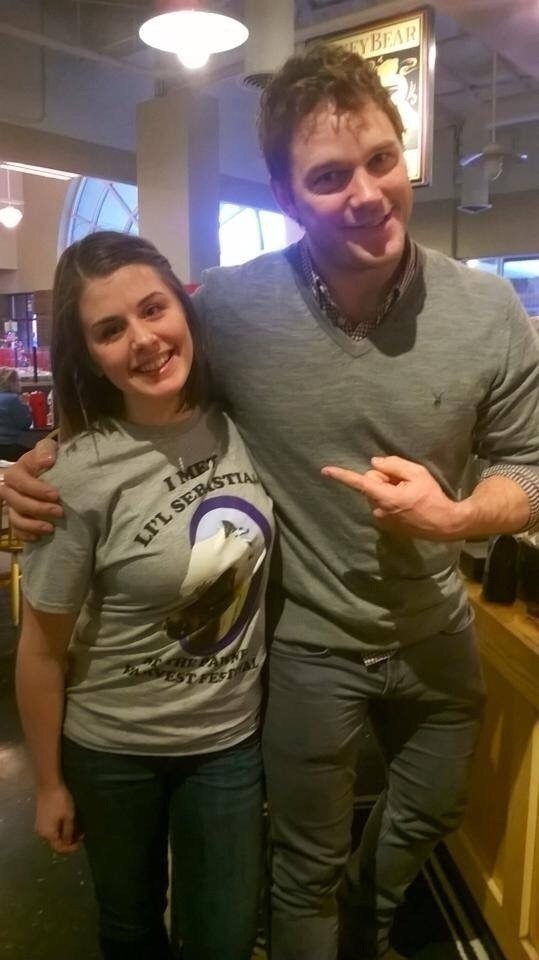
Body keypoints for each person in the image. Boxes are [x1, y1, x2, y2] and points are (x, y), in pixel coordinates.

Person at [4, 45, 539, 960]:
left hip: (436, 631)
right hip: (306, 648)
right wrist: (42, 463)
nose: (365, 193)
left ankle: (362, 925)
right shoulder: (230, 309)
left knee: (429, 812)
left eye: (380, 159)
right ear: (288, 198)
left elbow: (529, 468)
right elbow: (140, 370)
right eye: (328, 177)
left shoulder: (490, 313)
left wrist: (457, 516)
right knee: (300, 865)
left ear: (404, 155)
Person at [14, 230, 274, 960]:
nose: (143, 340)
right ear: (89, 355)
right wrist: (49, 784)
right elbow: (40, 651)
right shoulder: (75, 475)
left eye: (153, 308)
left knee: (224, 936)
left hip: (227, 742)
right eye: (110, 330)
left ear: (184, 309)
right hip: (112, 751)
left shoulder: (243, 423)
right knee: (130, 929)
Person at [0, 366, 32, 461]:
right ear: (12, 383)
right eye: (18, 380)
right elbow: (25, 424)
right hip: (7, 446)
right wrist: (25, 405)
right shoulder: (13, 399)